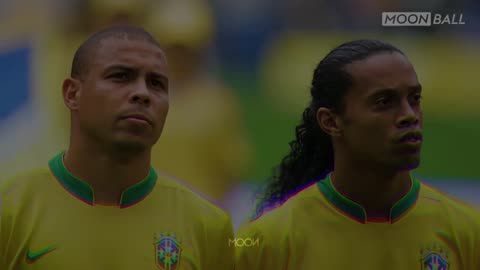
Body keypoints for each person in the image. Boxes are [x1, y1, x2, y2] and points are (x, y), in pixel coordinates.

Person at [0, 25, 234, 270]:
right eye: (120, 76)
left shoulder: (207, 226)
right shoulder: (12, 210)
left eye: (157, 84)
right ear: (72, 94)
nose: (142, 93)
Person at [235, 39, 480, 269]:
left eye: (414, 99)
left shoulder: (467, 232)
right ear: (330, 121)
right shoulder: (266, 243)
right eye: (384, 102)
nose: (410, 115)